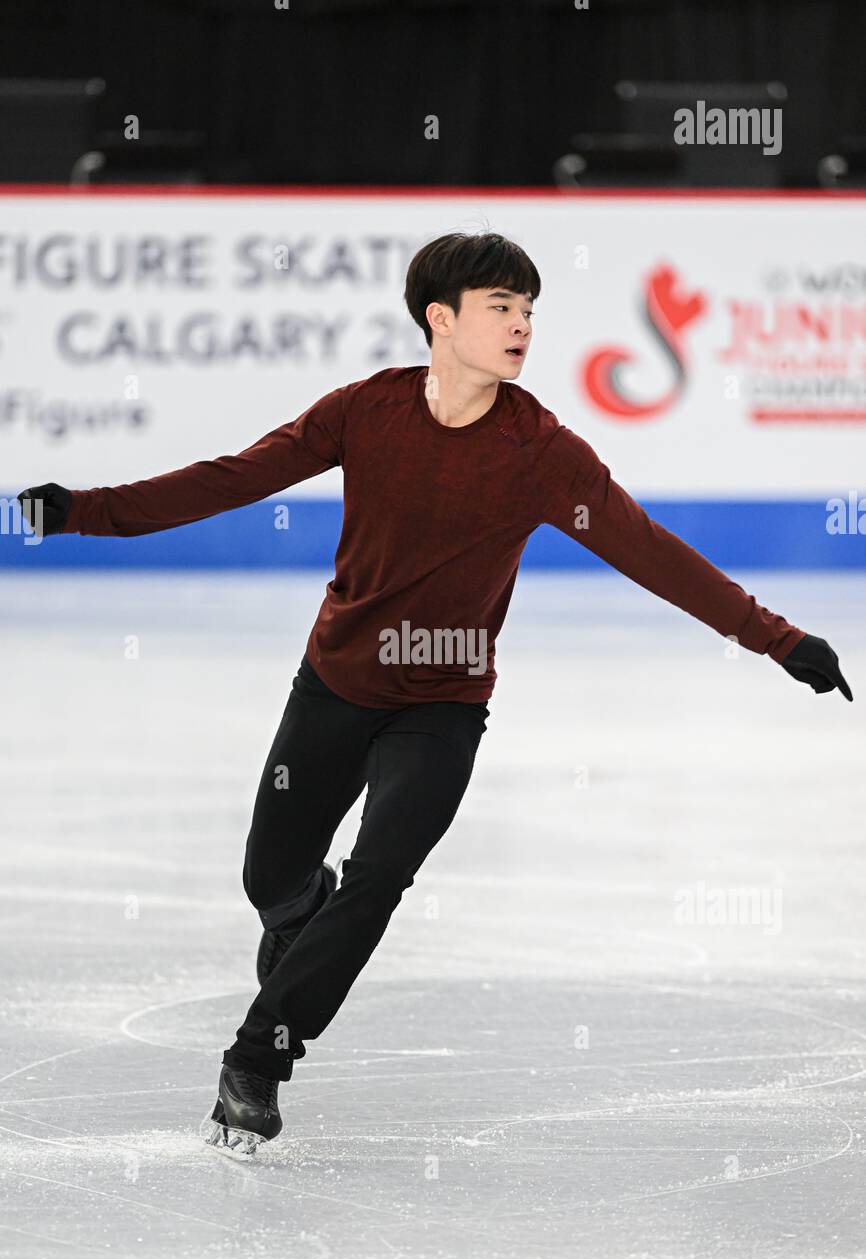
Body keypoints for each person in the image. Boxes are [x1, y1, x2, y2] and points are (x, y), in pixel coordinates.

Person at [17, 231, 853, 1158]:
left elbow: (652, 552)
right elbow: (232, 478)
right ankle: (300, 920)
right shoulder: (364, 412)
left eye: (531, 311)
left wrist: (777, 639)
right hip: (336, 681)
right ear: (440, 319)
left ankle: (258, 1061)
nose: (523, 326)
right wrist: (82, 510)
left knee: (377, 879)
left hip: (446, 703)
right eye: (502, 307)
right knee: (271, 880)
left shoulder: (543, 453)